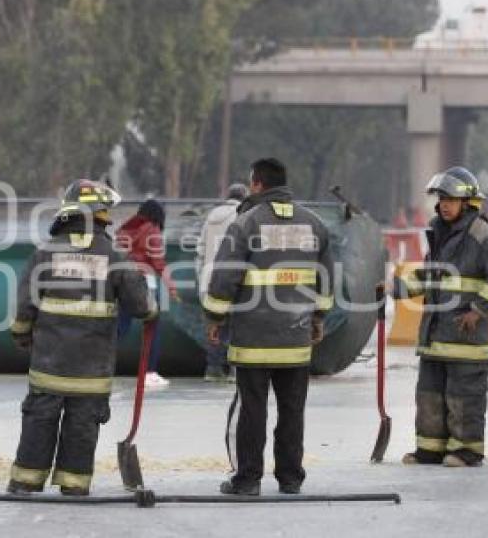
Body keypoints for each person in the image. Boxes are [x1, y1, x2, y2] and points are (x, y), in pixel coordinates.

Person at [7, 180, 156, 496]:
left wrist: (21, 335)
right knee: (82, 427)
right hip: (91, 373)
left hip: (48, 367)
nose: (108, 218)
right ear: (96, 215)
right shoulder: (114, 257)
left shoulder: (44, 254)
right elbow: (142, 307)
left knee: (39, 422)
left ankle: (25, 482)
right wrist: (151, 307)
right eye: (105, 212)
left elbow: (24, 306)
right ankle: (73, 487)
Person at [203, 157, 333, 496]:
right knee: (292, 411)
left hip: (253, 338)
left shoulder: (246, 223)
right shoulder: (315, 224)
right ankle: (290, 478)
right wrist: (319, 318)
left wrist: (215, 318)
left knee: (252, 410)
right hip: (296, 338)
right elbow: (327, 279)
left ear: (257, 185)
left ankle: (247, 480)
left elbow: (224, 276)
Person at [392, 166, 488, 468]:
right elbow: (429, 278)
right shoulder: (441, 235)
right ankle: (429, 450)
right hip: (435, 338)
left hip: (467, 341)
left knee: (464, 399)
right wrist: (397, 289)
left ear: (468, 202)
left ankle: (467, 451)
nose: (444, 204)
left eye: (450, 199)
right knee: (430, 397)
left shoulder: (484, 237)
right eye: (441, 198)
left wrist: (478, 310)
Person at [116, 199, 180, 388]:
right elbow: (158, 262)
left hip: (124, 282)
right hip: (146, 284)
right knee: (152, 328)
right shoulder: (152, 230)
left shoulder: (126, 229)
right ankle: (149, 373)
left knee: (119, 327)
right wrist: (172, 287)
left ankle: (95, 362)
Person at [196, 183, 248, 382]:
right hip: (233, 280)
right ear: (244, 198)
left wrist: (202, 277)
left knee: (214, 325)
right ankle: (234, 370)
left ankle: (213, 369)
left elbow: (200, 251)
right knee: (237, 325)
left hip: (209, 280)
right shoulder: (244, 217)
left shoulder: (211, 217)